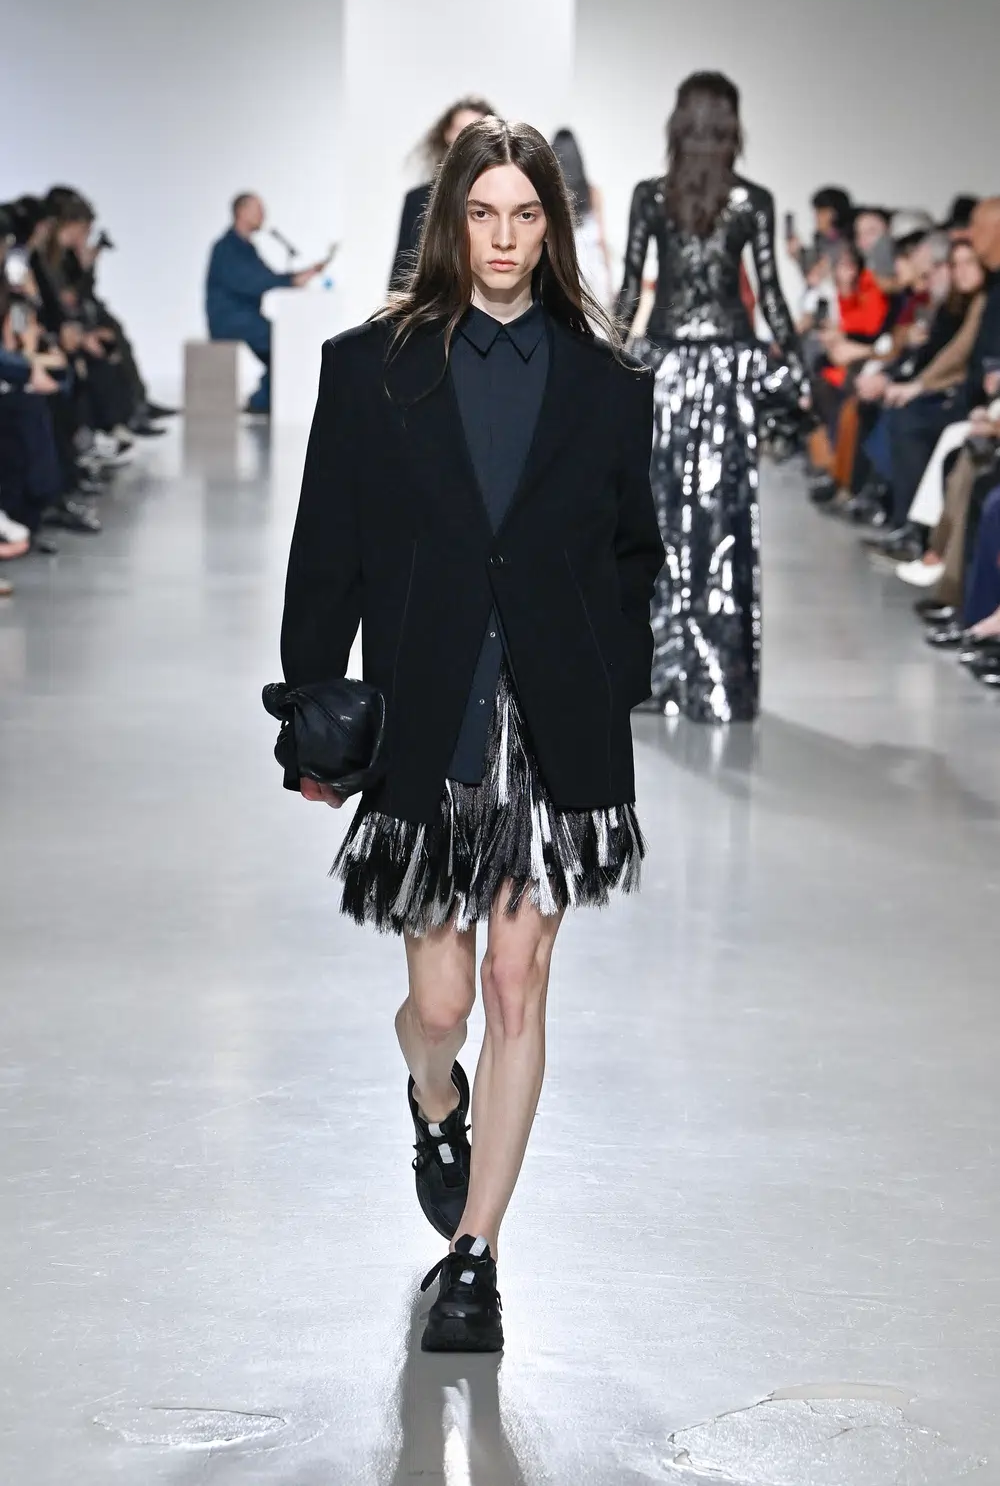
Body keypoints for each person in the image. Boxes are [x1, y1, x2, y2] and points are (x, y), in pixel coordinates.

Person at [280, 117, 662, 1353]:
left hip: (552, 719)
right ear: (451, 220)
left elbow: (634, 554)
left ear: (553, 227)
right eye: (483, 214)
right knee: (440, 1005)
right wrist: (309, 715)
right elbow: (327, 547)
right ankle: (432, 1098)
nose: (503, 239)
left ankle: (475, 1259)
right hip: (431, 711)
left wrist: (613, 685)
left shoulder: (607, 381)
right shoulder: (370, 367)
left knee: (514, 982)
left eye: (526, 216)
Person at [614, 71, 803, 723]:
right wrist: (798, 368)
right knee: (723, 522)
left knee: (659, 519)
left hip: (664, 368)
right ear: (731, 126)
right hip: (727, 373)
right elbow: (770, 294)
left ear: (678, 123)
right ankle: (720, 678)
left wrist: (605, 361)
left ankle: (656, 671)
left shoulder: (649, 196)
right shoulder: (752, 201)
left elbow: (631, 288)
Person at [205, 194, 326, 415]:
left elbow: (265, 276)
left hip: (245, 316)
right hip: (230, 318)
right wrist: (293, 280)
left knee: (283, 344)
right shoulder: (226, 248)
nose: (263, 214)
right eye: (258, 209)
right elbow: (253, 281)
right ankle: (261, 401)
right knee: (282, 344)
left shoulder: (246, 247)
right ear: (241, 212)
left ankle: (263, 399)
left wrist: (299, 276)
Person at [388, 97, 496, 291]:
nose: (466, 137)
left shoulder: (503, 197)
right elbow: (402, 273)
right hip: (433, 304)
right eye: (460, 129)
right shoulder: (418, 199)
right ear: (447, 134)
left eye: (475, 130)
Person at [551, 127, 613, 307]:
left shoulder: (552, 195)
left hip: (563, 270)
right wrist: (609, 281)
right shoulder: (593, 193)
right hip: (594, 273)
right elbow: (601, 239)